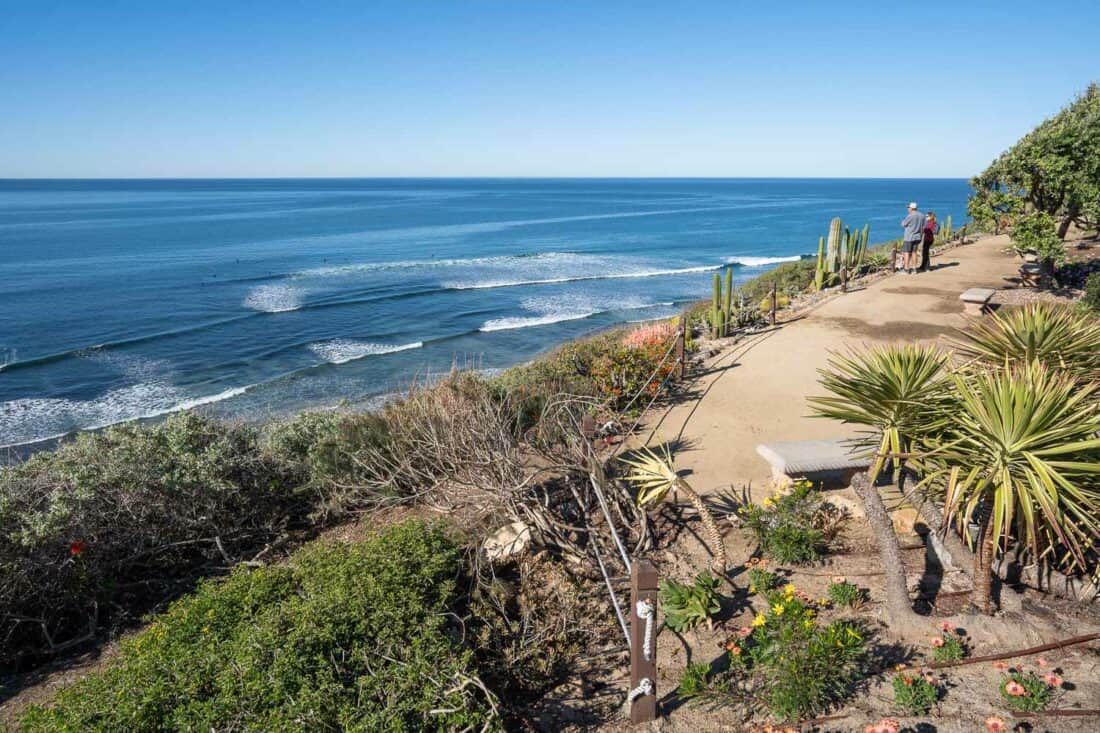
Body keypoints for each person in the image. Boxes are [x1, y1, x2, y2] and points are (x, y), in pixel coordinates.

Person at [900, 202, 924, 274]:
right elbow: (923, 226)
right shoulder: (922, 215)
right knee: (914, 253)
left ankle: (906, 269)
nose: (908, 209)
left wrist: (903, 222)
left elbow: (903, 224)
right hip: (917, 237)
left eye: (908, 207)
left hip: (909, 237)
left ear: (911, 208)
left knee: (906, 253)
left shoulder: (910, 216)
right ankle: (914, 269)